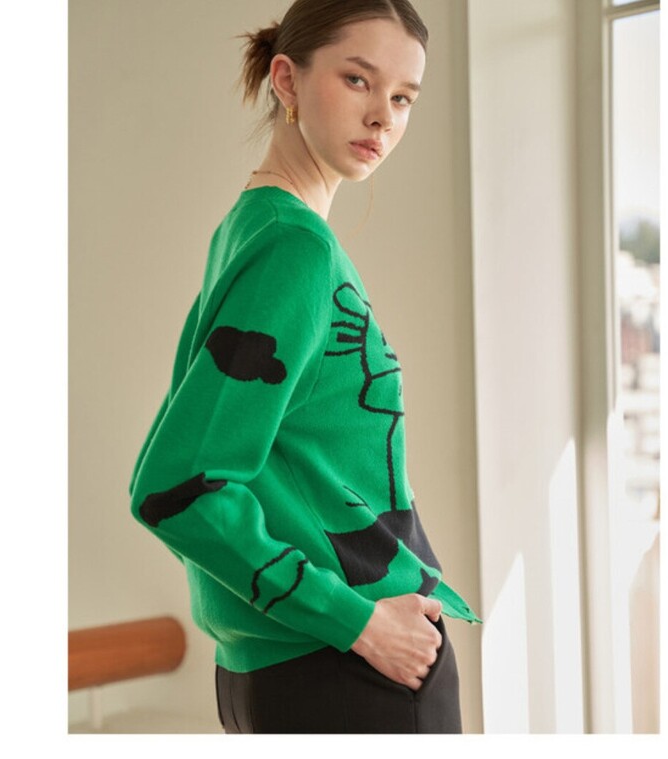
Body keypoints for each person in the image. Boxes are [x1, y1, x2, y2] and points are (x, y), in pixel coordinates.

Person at [129, 0, 479, 734]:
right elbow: (175, 486)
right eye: (358, 80)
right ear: (287, 79)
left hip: (285, 669)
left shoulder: (254, 226)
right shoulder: (294, 248)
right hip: (345, 669)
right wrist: (359, 623)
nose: (382, 116)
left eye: (403, 97)